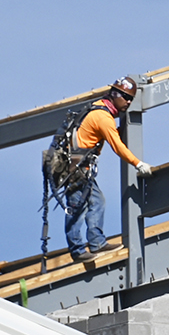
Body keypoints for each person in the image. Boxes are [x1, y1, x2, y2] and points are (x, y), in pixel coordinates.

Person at [65, 76, 154, 261]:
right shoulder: (103, 117)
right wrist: (138, 163)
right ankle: (77, 250)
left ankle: (97, 243)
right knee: (77, 207)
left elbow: (107, 135)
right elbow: (118, 147)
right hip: (74, 168)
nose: (128, 102)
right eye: (126, 97)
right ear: (115, 95)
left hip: (81, 168)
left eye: (130, 98)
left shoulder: (99, 108)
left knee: (98, 201)